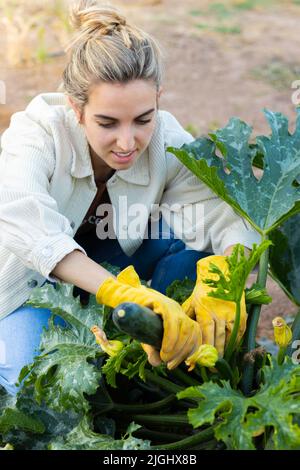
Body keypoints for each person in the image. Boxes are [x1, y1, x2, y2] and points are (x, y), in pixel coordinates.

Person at [0, 0, 260, 396]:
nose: (127, 142)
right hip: (29, 283)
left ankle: (171, 349)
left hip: (116, 255)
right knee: (26, 389)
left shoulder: (167, 139)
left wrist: (226, 278)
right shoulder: (36, 132)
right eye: (107, 122)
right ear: (76, 107)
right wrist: (118, 292)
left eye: (143, 118)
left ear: (158, 97)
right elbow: (22, 218)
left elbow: (227, 219)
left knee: (196, 255)